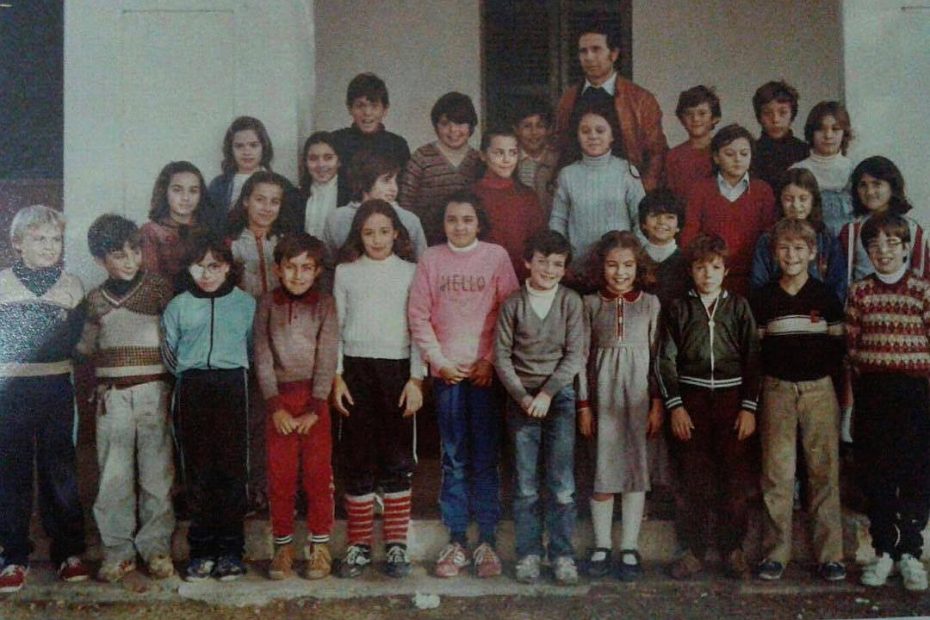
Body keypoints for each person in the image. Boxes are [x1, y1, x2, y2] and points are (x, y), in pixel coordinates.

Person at [408, 191, 519, 579]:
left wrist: (489, 360)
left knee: (485, 459)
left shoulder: (496, 257)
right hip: (448, 375)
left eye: (467, 219)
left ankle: (486, 540)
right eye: (452, 219)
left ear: (479, 222)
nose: (459, 226)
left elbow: (509, 312)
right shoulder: (431, 259)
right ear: (443, 223)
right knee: (454, 457)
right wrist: (438, 362)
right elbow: (419, 315)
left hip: (485, 374)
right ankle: (456, 539)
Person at [78, 215, 176, 583]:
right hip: (112, 398)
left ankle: (156, 548)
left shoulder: (159, 290)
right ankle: (118, 551)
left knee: (156, 475)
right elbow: (86, 349)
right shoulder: (94, 301)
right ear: (101, 259)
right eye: (119, 255)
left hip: (153, 392)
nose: (130, 260)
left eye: (135, 251)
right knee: (113, 477)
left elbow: (173, 339)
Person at [658, 234, 760, 581]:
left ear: (726, 270)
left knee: (734, 482)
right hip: (692, 401)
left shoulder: (739, 307)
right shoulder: (679, 308)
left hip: (732, 403)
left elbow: (754, 360)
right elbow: (666, 360)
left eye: (715, 267)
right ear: (691, 271)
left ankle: (733, 549)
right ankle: (694, 550)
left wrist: (748, 408)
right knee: (693, 480)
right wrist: (675, 406)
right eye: (700, 267)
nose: (707, 274)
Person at [332, 200, 425, 579]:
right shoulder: (345, 273)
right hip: (355, 371)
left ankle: (397, 546)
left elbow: (419, 326)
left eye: (384, 231)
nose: (376, 239)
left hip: (397, 372)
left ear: (397, 234)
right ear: (358, 234)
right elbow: (336, 328)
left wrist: (416, 379)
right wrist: (336, 376)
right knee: (358, 458)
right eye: (368, 232)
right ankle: (357, 546)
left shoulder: (411, 272)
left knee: (396, 459)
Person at [751, 219, 846, 583]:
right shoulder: (765, 298)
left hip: (819, 391)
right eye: (785, 248)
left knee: (823, 472)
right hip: (777, 391)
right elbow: (757, 351)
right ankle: (776, 553)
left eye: (799, 249)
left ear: (812, 254)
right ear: (775, 253)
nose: (792, 255)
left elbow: (838, 348)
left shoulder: (825, 297)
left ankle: (830, 555)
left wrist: (836, 392)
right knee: (777, 473)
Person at [0, 205, 89, 593]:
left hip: (56, 389)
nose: (48, 246)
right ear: (18, 244)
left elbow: (71, 342)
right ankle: (13, 555)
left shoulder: (72, 286)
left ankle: (68, 552)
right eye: (39, 239)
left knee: (60, 473)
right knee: (12, 474)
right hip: (11, 391)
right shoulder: (2, 285)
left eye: (55, 239)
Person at [161, 235, 256, 582]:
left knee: (231, 469)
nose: (206, 273)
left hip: (232, 385)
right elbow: (169, 353)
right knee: (198, 471)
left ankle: (231, 551)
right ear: (189, 268)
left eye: (214, 265)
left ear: (228, 267)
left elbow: (250, 344)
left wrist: (229, 366)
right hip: (192, 386)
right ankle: (201, 550)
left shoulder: (245, 304)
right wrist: (192, 368)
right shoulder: (178, 306)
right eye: (198, 265)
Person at [495, 229, 584, 585]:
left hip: (558, 397)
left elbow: (575, 354)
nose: (549, 269)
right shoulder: (513, 304)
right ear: (527, 262)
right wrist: (523, 396)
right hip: (521, 399)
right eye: (542, 261)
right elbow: (501, 355)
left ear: (565, 269)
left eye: (557, 264)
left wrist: (547, 394)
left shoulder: (570, 302)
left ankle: (562, 554)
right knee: (526, 485)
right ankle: (529, 553)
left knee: (561, 483)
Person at [847, 213, 930, 592]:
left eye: (892, 243)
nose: (883, 251)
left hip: (915, 393)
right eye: (874, 245)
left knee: (915, 472)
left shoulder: (922, 290)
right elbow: (851, 347)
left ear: (907, 248)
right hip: (874, 392)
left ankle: (911, 553)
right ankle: (884, 551)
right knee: (877, 472)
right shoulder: (859, 291)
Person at [253, 233, 338, 581]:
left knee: (318, 477)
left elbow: (328, 354)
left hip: (314, 402)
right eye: (291, 267)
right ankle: (283, 547)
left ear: (317, 271)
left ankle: (319, 547)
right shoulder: (267, 303)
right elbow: (261, 355)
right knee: (281, 477)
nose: (298, 275)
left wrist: (316, 406)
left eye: (307, 268)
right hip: (279, 404)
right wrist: (275, 406)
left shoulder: (325, 304)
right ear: (278, 269)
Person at [577, 231, 662, 582]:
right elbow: (580, 359)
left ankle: (629, 545)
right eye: (612, 265)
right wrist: (584, 405)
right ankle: (600, 545)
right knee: (602, 466)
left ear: (638, 267)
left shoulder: (651, 304)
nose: (620, 272)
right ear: (602, 267)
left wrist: (657, 402)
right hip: (602, 395)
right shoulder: (589, 304)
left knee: (635, 468)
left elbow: (658, 359)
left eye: (627, 265)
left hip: (639, 395)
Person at [555, 19, 667, 191]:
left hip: (625, 195)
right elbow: (560, 147)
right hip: (579, 193)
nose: (589, 57)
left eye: (596, 49)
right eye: (583, 51)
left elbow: (657, 153)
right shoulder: (568, 99)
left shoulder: (641, 99)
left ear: (613, 54)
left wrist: (643, 194)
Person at [550, 101, 646, 284]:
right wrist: (562, 259)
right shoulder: (567, 174)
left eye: (600, 131)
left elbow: (640, 219)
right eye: (585, 131)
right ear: (577, 136)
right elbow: (558, 221)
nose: (592, 136)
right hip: (579, 269)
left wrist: (633, 258)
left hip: (620, 272)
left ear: (612, 136)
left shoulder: (626, 171)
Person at [680, 124, 778, 297]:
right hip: (710, 279)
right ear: (716, 157)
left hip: (753, 278)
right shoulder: (700, 190)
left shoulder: (763, 190)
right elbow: (689, 236)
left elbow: (769, 238)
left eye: (744, 154)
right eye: (729, 154)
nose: (738, 159)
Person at [750, 168, 846, 303]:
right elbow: (758, 286)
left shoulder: (827, 240)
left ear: (814, 200)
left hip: (818, 314)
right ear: (780, 201)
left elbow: (838, 288)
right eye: (789, 199)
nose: (796, 205)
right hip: (777, 314)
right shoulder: (767, 240)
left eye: (803, 199)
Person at [398, 91, 482, 245]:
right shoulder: (421, 157)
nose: (453, 130)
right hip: (426, 242)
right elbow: (405, 204)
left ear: (471, 125)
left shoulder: (479, 160)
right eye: (445, 123)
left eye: (460, 123)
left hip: (468, 243)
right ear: (435, 126)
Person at [322, 150, 427, 261]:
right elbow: (328, 264)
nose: (394, 188)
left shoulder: (409, 220)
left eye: (396, 181)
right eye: (386, 180)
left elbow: (423, 266)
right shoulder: (337, 218)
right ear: (365, 181)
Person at [205, 116, 301, 236]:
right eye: (239, 146)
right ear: (230, 149)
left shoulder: (282, 184)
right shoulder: (218, 185)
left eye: (253, 145)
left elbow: (292, 228)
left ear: (264, 147)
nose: (246, 152)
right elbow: (209, 226)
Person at [839, 156, 929, 283]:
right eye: (863, 185)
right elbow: (842, 280)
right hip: (862, 300)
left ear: (892, 187)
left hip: (904, 300)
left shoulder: (913, 230)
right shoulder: (850, 232)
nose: (869, 192)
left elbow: (923, 279)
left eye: (877, 184)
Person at [473, 126, 546, 281]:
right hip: (481, 279)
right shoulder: (470, 196)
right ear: (483, 155)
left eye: (512, 153)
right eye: (499, 153)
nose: (506, 159)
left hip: (521, 279)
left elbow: (539, 241)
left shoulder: (528, 196)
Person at [331, 72, 411, 201]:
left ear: (385, 109)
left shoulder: (398, 145)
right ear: (349, 108)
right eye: (360, 105)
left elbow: (404, 191)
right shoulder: (336, 142)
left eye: (374, 106)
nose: (367, 113)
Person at [141, 161, 210, 291]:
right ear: (164, 191)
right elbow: (149, 282)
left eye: (193, 191)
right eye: (177, 190)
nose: (186, 197)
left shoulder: (207, 229)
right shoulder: (151, 231)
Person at [790, 101, 855, 238]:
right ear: (811, 132)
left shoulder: (854, 170)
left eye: (835, 129)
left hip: (848, 246)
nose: (828, 135)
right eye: (821, 129)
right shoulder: (797, 171)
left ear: (845, 133)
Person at [227, 171, 291, 298]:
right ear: (246, 201)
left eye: (274, 202)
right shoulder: (229, 244)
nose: (267, 208)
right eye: (260, 200)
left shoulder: (288, 242)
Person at [750, 80, 810, 191]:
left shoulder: (804, 152)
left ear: (792, 114)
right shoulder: (750, 152)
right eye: (767, 113)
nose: (775, 120)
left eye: (782, 112)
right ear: (759, 117)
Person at [666, 85, 720, 200]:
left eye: (702, 113)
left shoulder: (724, 152)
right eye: (689, 113)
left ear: (715, 117)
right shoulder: (674, 156)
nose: (695, 119)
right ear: (681, 119)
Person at [638, 189, 690, 308]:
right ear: (643, 224)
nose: (661, 222)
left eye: (669, 217)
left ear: (678, 226)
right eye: (654, 215)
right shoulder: (635, 260)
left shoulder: (687, 261)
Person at [297, 131, 349, 240]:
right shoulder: (296, 196)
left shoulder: (351, 194)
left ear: (339, 161)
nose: (321, 164)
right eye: (313, 158)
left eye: (328, 157)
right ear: (305, 163)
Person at [513, 99, 559, 219]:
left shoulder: (558, 162)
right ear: (516, 129)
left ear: (549, 130)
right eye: (527, 126)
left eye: (540, 126)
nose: (534, 132)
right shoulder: (509, 161)